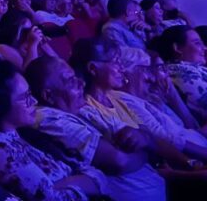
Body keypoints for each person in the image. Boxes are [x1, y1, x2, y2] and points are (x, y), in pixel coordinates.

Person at [72, 38, 207, 168]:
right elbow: (159, 141)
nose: (121, 69)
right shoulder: (87, 109)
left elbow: (157, 137)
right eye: (115, 62)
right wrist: (201, 162)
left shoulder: (119, 97)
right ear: (93, 69)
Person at [24, 56, 169, 201]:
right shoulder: (48, 118)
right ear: (48, 96)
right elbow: (119, 161)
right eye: (70, 81)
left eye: (76, 77)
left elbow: (148, 138)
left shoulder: (83, 109)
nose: (82, 83)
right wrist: (144, 150)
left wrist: (144, 140)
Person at [0, 55, 105, 201]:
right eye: (25, 97)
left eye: (30, 94)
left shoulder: (24, 132)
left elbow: (92, 171)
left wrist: (68, 183)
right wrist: (82, 181)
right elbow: (54, 199)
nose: (34, 101)